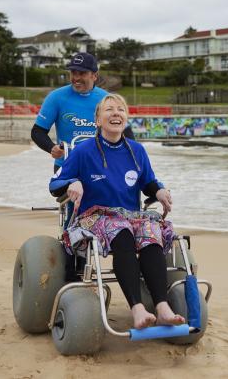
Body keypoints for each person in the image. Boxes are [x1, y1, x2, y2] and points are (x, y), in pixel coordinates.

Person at [49, 94, 185, 330]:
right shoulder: (83, 151)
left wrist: (160, 191)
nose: (116, 113)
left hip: (132, 216)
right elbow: (54, 185)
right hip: (95, 216)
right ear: (98, 120)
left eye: (121, 110)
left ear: (126, 119)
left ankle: (162, 306)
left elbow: (148, 181)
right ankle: (138, 309)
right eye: (109, 109)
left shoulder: (137, 150)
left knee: (152, 237)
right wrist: (72, 183)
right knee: (123, 235)